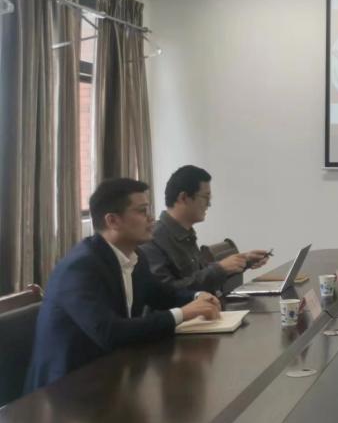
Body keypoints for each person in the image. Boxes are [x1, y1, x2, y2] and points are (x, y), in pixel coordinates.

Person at [25, 178, 222, 392]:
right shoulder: (80, 267)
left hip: (112, 374)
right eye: (142, 211)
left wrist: (197, 297)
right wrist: (183, 313)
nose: (151, 218)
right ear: (113, 221)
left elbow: (162, 294)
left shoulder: (136, 257)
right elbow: (109, 332)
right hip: (66, 390)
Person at [140, 165, 269, 294]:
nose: (209, 204)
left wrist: (242, 262)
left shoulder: (186, 233)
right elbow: (165, 293)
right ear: (183, 198)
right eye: (206, 197)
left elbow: (198, 277)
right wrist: (220, 269)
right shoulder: (152, 239)